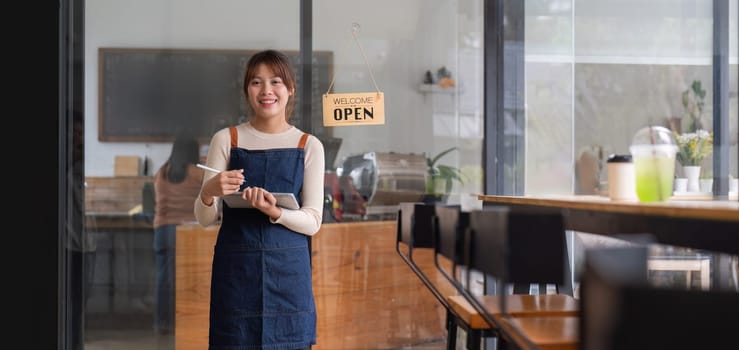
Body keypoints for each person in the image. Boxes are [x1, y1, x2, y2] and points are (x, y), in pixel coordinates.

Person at [194, 49, 325, 350]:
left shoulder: (309, 146)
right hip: (236, 277)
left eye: (276, 81)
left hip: (289, 278)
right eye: (256, 82)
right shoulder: (226, 140)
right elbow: (204, 218)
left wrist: (275, 211)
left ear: (290, 89)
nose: (266, 90)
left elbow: (313, 221)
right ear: (246, 91)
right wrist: (209, 191)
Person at [153, 134, 204, 338]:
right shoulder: (195, 173)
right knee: (189, 280)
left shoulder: (162, 172)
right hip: (186, 232)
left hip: (162, 230)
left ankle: (162, 323)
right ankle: (187, 320)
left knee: (163, 279)